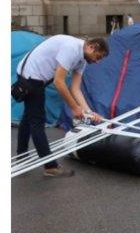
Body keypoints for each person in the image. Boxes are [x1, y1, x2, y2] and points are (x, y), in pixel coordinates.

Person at [16, 36, 109, 177]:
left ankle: (21, 156)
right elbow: (59, 82)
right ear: (92, 47)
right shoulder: (71, 48)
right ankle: (50, 166)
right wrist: (74, 108)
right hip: (30, 75)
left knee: (29, 116)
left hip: (40, 76)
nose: (97, 61)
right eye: (98, 56)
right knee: (37, 120)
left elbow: (75, 89)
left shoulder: (82, 60)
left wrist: (89, 112)